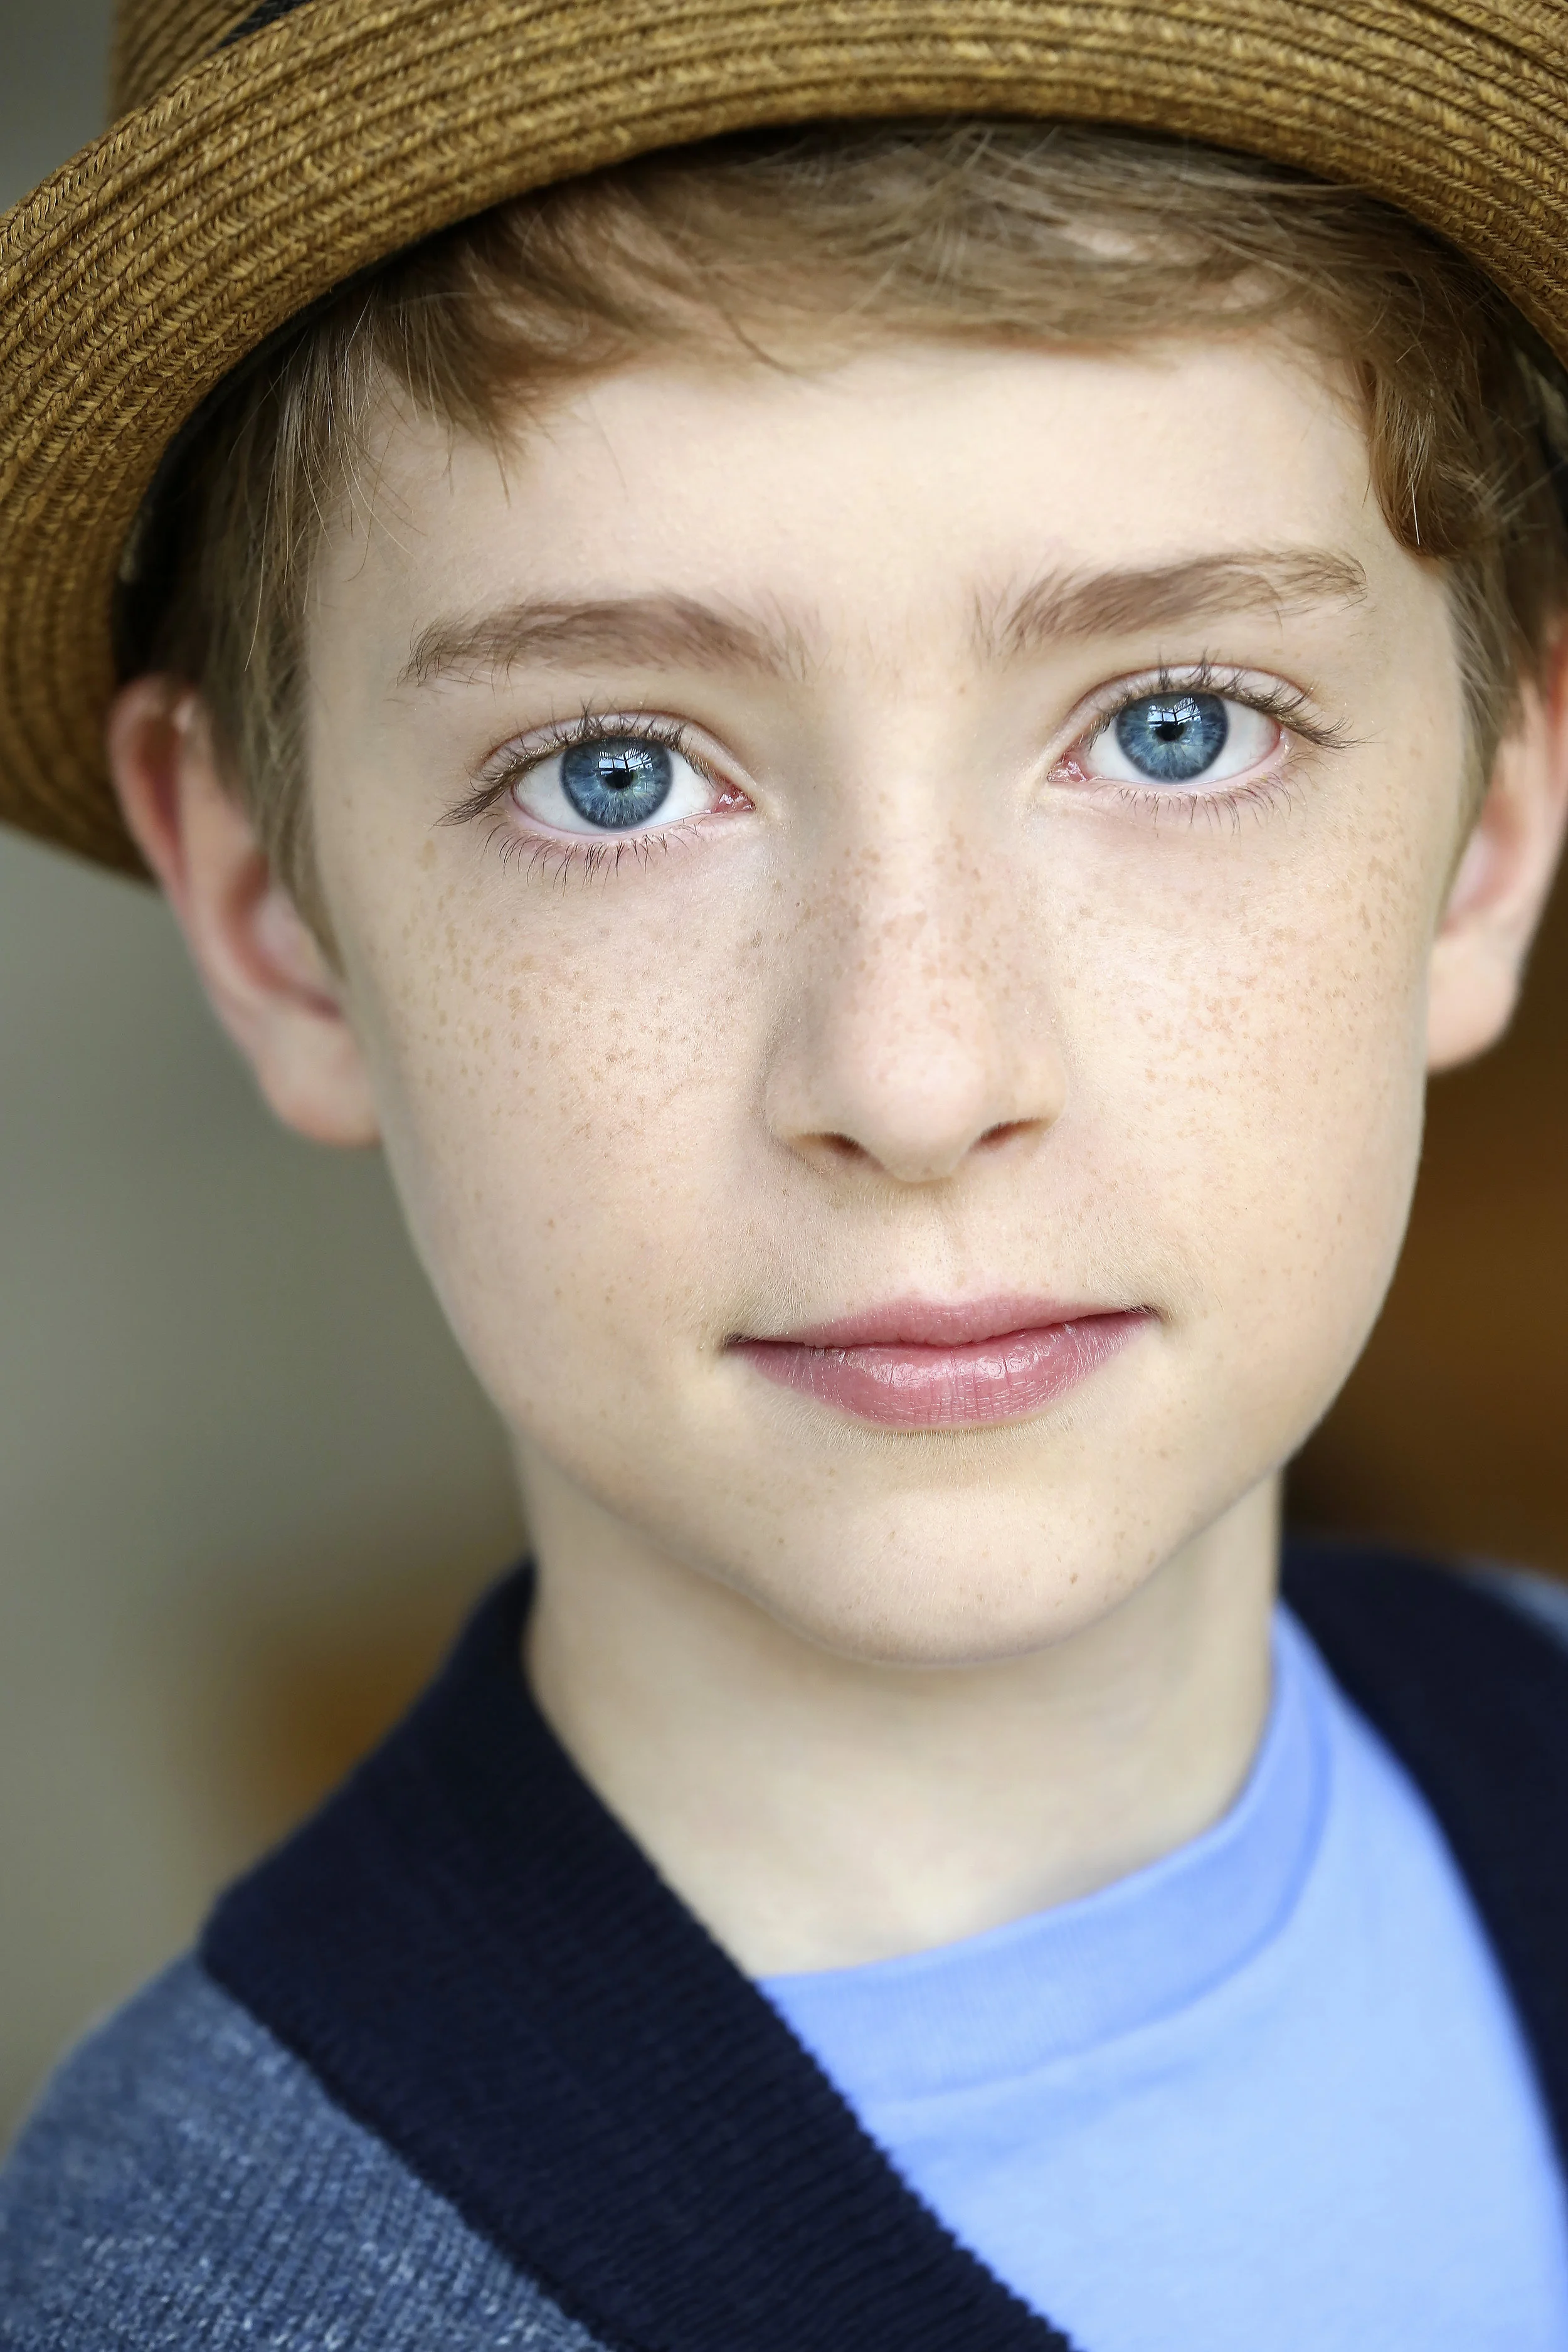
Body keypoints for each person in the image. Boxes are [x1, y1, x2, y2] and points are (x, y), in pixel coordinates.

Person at [4, 4, 1568, 2346]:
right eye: (613, 775)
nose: (918, 1076)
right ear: (271, 912)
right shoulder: (191, 2294)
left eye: (1174, 727)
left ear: (1491, 832)